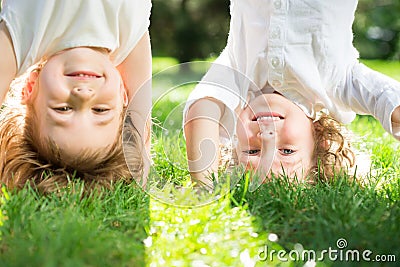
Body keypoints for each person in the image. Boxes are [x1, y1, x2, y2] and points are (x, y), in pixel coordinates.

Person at [184, 0, 400, 190]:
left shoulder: (238, 77)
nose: (266, 137)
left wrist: (203, 188)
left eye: (252, 151)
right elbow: (387, 99)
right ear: (320, 140)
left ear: (233, 143)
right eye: (286, 151)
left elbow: (201, 110)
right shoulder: (334, 85)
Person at [0, 0, 152, 192]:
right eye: (100, 110)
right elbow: (140, 122)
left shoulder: (24, 39)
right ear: (123, 94)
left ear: (30, 88)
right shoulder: (129, 34)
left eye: (63, 109)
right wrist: (141, 169)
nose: (84, 95)